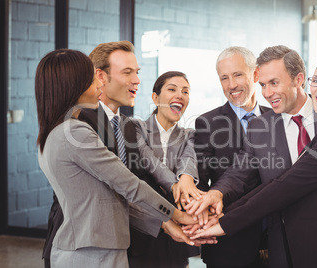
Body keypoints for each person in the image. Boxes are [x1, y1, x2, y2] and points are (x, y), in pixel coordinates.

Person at [188, 46, 317, 268]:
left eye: (274, 83)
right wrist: (217, 193)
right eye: (263, 85)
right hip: (284, 247)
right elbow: (240, 172)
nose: (266, 93)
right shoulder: (259, 126)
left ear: (298, 80)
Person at [42, 41, 206, 267]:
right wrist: (176, 216)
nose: (137, 80)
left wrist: (165, 221)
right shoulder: (78, 123)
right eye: (127, 72)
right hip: (83, 245)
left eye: (137, 73)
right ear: (100, 76)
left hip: (120, 243)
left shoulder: (127, 126)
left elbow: (126, 188)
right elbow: (127, 185)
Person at [194, 46, 271, 268]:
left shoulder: (277, 118)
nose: (231, 85)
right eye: (224, 78)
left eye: (238, 75)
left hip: (277, 240)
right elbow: (200, 181)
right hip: (230, 245)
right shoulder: (207, 123)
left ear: (255, 75)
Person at [128, 71, 204, 267]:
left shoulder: (190, 135)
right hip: (142, 226)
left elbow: (189, 158)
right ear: (155, 97)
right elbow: (149, 161)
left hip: (176, 236)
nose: (180, 95)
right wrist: (175, 185)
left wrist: (186, 178)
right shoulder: (135, 127)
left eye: (185, 92)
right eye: (172, 89)